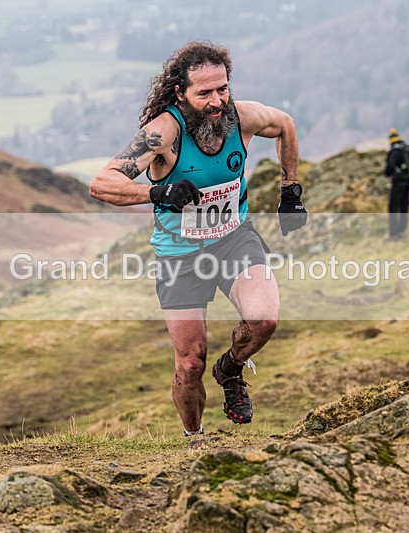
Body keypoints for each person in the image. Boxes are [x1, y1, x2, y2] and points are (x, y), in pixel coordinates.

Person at [89, 41, 307, 435]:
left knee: (264, 319)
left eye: (222, 89)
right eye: (204, 93)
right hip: (180, 254)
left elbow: (286, 125)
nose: (216, 100)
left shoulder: (243, 118)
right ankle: (194, 439)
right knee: (190, 363)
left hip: (233, 239)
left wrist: (290, 192)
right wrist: (156, 193)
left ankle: (231, 369)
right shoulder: (162, 133)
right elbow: (102, 184)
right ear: (181, 93)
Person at [384, 128, 409, 240]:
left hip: (398, 182)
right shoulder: (406, 149)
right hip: (408, 181)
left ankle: (393, 233)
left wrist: (389, 174)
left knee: (393, 207)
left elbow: (389, 168)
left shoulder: (394, 151)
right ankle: (402, 230)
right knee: (404, 206)